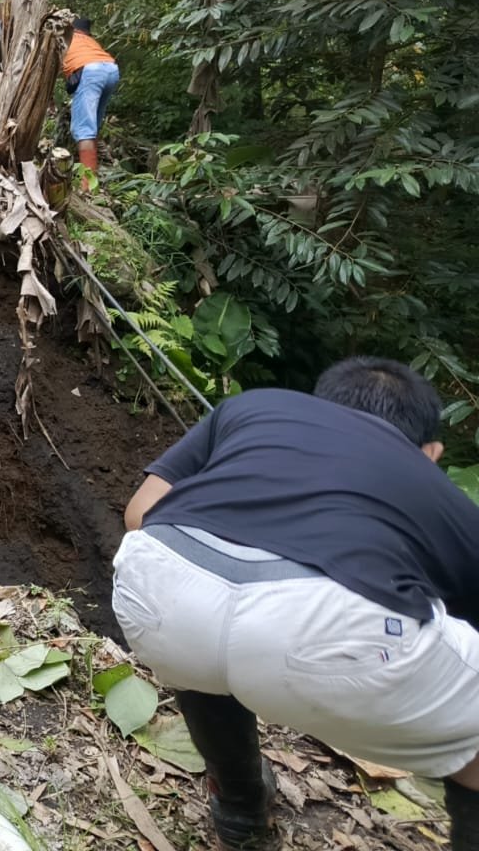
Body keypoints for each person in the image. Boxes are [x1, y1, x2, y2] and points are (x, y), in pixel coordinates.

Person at [113, 358, 479, 851]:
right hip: (331, 631)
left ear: (316, 406)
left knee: (209, 619)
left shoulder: (254, 408)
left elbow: (140, 514)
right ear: (430, 453)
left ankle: (239, 809)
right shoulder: (441, 495)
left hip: (159, 588)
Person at [63, 15, 118, 186]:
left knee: (83, 130)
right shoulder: (89, 40)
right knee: (92, 126)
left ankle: (87, 186)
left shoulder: (64, 38)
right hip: (111, 69)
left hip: (90, 71)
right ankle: (92, 179)